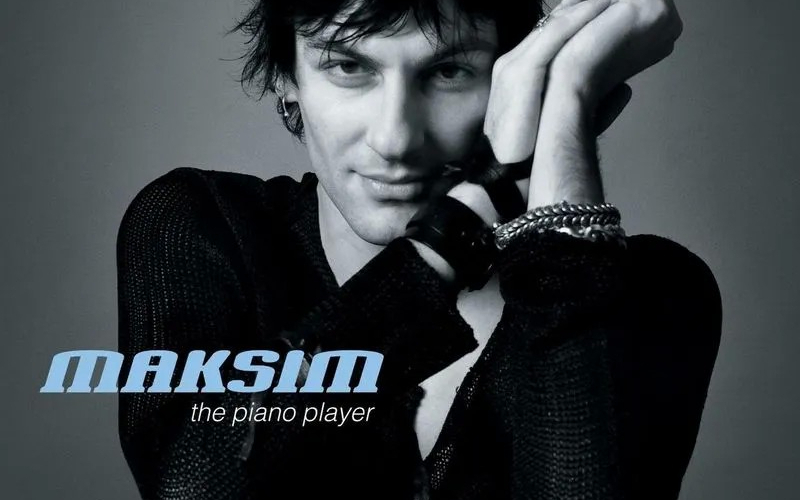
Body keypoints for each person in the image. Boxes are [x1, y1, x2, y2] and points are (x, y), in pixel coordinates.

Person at [117, 0, 722, 498]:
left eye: (450, 72)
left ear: (510, 83)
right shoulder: (206, 229)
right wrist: (477, 208)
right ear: (287, 77)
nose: (396, 139)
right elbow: (192, 485)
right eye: (348, 67)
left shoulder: (649, 294)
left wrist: (568, 94)